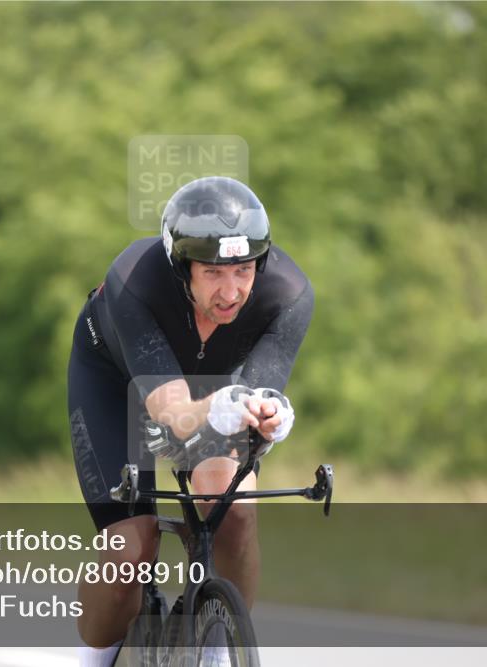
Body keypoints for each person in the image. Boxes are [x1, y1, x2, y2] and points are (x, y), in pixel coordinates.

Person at [68, 176, 314, 666]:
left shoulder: (288, 294)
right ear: (182, 267)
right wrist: (221, 406)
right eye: (213, 273)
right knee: (129, 554)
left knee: (233, 514)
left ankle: (215, 646)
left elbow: (258, 397)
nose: (231, 291)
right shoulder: (136, 279)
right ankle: (92, 657)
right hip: (117, 383)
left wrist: (269, 416)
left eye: (244, 270)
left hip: (212, 387)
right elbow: (171, 412)